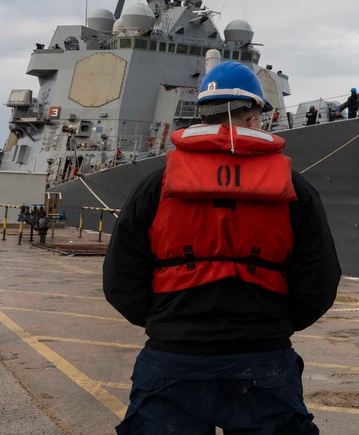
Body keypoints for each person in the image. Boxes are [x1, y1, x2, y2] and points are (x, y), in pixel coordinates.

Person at [104, 61, 342, 434]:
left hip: (172, 360)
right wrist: (274, 326)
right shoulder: (295, 189)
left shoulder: (155, 186)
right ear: (252, 118)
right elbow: (320, 280)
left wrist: (165, 323)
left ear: (203, 114)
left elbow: (121, 277)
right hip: (263, 360)